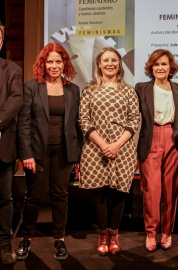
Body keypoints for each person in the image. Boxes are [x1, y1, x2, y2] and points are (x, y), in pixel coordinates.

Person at [16, 43, 81, 260]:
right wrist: (26, 154)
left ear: (65, 63)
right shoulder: (31, 86)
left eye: (58, 61)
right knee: (34, 196)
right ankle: (26, 238)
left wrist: (77, 155)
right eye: (50, 61)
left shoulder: (73, 89)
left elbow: (76, 125)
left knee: (60, 195)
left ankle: (59, 240)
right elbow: (23, 123)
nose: (54, 65)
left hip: (63, 151)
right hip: (37, 151)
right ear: (43, 63)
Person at [79, 47, 140, 256]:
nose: (110, 64)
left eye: (114, 60)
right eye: (106, 60)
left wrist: (116, 145)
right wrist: (104, 144)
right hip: (96, 149)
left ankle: (114, 234)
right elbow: (83, 120)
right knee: (101, 194)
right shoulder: (89, 89)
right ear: (99, 64)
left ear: (119, 64)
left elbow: (135, 119)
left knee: (119, 193)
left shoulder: (128, 90)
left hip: (123, 149)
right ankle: (102, 234)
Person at [135, 49, 178, 252]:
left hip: (173, 141)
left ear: (171, 67)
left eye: (164, 64)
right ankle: (150, 233)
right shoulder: (142, 88)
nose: (160, 68)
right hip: (150, 139)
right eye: (156, 64)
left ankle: (167, 232)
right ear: (151, 67)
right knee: (151, 190)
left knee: (170, 190)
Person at [0, 20, 23, 265]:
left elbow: (16, 100)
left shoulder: (12, 70)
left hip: (2, 146)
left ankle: (4, 245)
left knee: (3, 199)